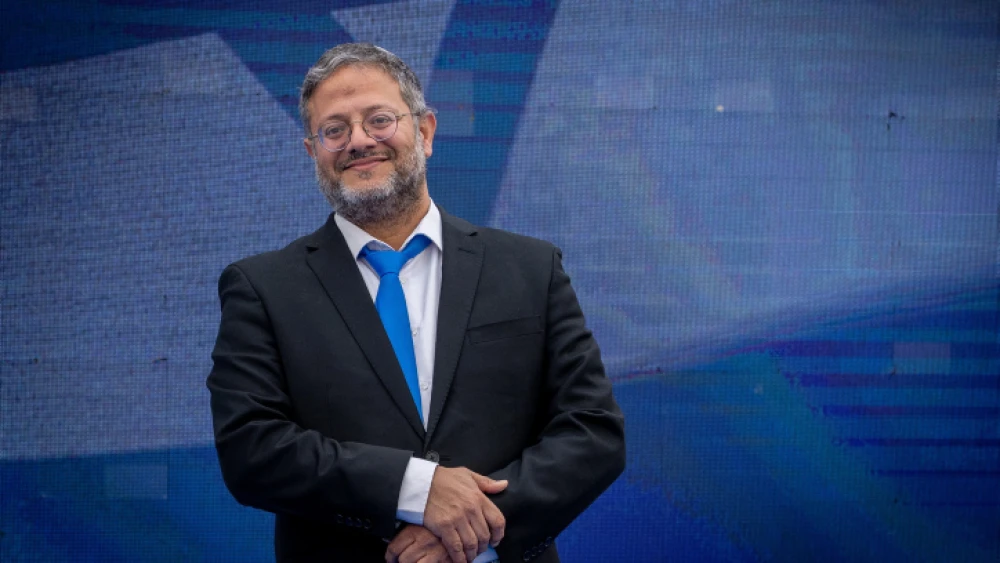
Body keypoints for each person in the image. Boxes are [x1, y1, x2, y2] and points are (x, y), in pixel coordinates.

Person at [207, 43, 625, 563]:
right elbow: (252, 451)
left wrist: (476, 531)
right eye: (334, 130)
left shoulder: (529, 268)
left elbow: (592, 430)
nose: (359, 141)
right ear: (314, 152)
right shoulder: (261, 287)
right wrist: (416, 488)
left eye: (379, 119)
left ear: (425, 132)